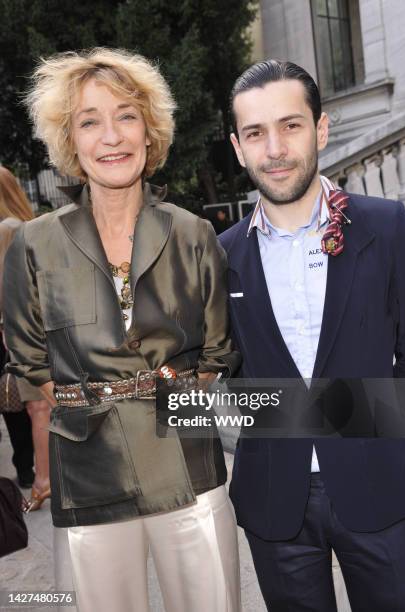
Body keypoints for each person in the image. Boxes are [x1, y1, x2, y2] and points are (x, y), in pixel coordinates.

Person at [3, 48, 241, 612]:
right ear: (70, 139)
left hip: (187, 464)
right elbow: (29, 362)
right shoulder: (34, 244)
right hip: (86, 471)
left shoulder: (193, 233)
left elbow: (218, 352)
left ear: (150, 128)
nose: (111, 135)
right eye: (90, 120)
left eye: (127, 115)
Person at [219, 59, 405, 611]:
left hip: (385, 490)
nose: (274, 148)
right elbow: (214, 382)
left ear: (320, 129)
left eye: (290, 125)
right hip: (274, 502)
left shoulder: (388, 226)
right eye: (256, 133)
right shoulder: (218, 254)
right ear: (238, 147)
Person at [0, 166, 51, 503]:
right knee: (42, 407)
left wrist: (7, 327)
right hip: (38, 325)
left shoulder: (8, 229)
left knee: (38, 409)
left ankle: (44, 482)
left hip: (24, 328)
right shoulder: (26, 224)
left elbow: (9, 286)